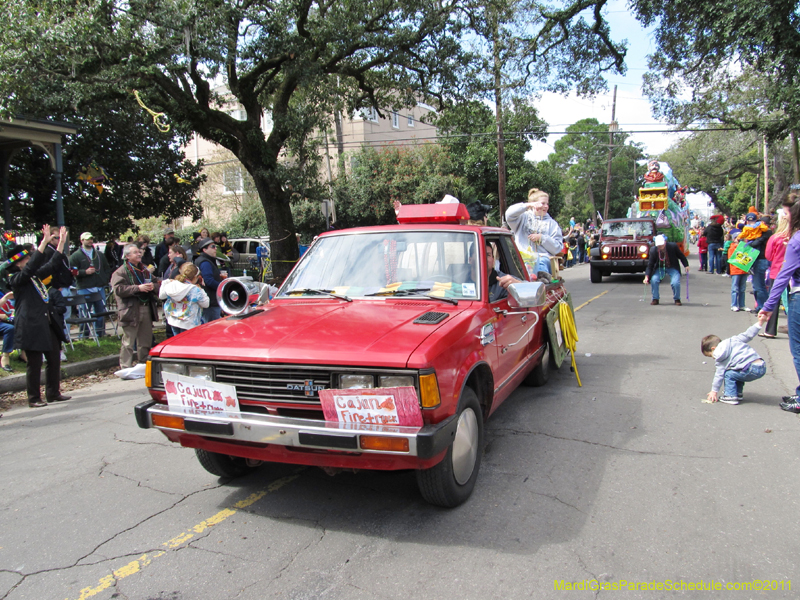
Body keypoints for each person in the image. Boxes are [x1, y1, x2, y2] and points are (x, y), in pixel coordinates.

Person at [8, 225, 71, 407]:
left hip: (46, 322)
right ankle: (34, 398)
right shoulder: (16, 278)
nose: (30, 260)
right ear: (18, 263)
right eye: (26, 258)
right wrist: (43, 242)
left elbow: (52, 264)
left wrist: (61, 243)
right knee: (34, 363)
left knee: (54, 358)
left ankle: (53, 392)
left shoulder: (34, 276)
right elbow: (31, 267)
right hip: (30, 325)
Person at [759, 201, 800, 412]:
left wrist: (768, 306)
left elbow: (784, 274)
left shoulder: (795, 240)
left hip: (797, 293)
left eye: (786, 213)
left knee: (798, 350)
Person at [702, 312, 769, 405]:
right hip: (761, 365)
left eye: (710, 355)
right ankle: (737, 393)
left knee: (728, 374)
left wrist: (714, 391)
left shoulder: (720, 357)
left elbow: (719, 375)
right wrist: (760, 323)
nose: (713, 358)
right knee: (737, 370)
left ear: (713, 348)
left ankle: (730, 396)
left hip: (750, 369)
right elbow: (748, 335)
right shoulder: (733, 340)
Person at [111, 244, 161, 369]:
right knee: (128, 340)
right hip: (130, 309)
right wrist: (138, 288)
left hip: (146, 307)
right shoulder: (120, 272)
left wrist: (153, 286)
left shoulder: (144, 270)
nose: (139, 254)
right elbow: (118, 289)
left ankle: (144, 364)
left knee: (145, 339)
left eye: (139, 252)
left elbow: (157, 283)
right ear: (127, 256)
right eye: (135, 252)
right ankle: (125, 366)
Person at [505, 188, 563, 276]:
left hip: (542, 259)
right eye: (543, 203)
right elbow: (509, 214)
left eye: (547, 204)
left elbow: (557, 247)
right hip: (523, 259)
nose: (546, 206)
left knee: (541, 263)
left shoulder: (552, 224)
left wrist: (542, 238)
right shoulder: (522, 218)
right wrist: (528, 205)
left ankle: (541, 279)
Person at [69, 232, 111, 338]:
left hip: (99, 287)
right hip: (84, 288)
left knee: (100, 311)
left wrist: (105, 279)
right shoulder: (75, 256)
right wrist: (84, 272)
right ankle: (84, 336)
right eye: (87, 239)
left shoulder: (99, 254)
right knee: (84, 313)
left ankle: (100, 333)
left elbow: (107, 268)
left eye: (91, 239)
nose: (90, 241)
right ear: (82, 240)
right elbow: (72, 272)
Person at [159, 262, 210, 334]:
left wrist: (165, 282)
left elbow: (161, 296)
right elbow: (206, 304)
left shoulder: (172, 284)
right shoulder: (194, 290)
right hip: (189, 322)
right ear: (195, 277)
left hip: (173, 320)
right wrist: (201, 290)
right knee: (187, 341)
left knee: (177, 340)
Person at [762, 213, 790, 337]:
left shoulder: (775, 237)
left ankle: (770, 330)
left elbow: (768, 256)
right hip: (793, 273)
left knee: (774, 300)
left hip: (777, 271)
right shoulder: (794, 237)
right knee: (792, 301)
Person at [738, 212, 772, 310]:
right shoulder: (756, 230)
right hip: (755, 258)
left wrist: (749, 244)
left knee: (759, 286)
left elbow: (758, 241)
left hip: (761, 259)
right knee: (756, 286)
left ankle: (763, 308)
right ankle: (760, 307)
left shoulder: (767, 232)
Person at [644, 235, 690, 305]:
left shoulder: (673, 246)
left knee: (675, 282)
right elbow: (650, 265)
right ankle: (655, 298)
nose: (661, 247)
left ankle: (677, 299)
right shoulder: (653, 250)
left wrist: (686, 265)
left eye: (662, 245)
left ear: (665, 242)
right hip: (660, 268)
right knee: (654, 280)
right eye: (659, 246)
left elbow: (681, 256)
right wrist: (647, 276)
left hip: (672, 267)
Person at [192, 237, 222, 322]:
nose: (215, 248)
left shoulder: (205, 260)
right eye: (212, 246)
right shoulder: (205, 262)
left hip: (208, 300)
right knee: (213, 325)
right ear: (204, 250)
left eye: (215, 246)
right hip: (211, 301)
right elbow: (209, 280)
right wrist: (222, 287)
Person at [728, 237, 749, 312]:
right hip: (736, 270)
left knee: (742, 289)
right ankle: (734, 305)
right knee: (735, 288)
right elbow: (732, 259)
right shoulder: (732, 247)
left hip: (744, 270)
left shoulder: (745, 247)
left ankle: (742, 305)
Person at [0, 291, 14, 371]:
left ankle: (24, 353)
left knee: (22, 324)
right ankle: (5, 357)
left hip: (3, 322)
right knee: (9, 328)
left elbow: (9, 306)